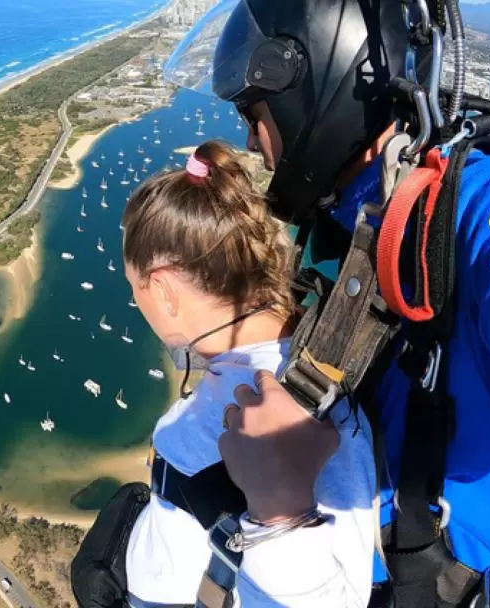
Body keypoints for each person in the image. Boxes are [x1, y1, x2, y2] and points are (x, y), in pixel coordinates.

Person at [164, 0, 490, 604]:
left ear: (310, 90)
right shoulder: (348, 220)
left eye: (252, 112)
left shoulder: (471, 208)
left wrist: (280, 503)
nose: (249, 138)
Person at [118, 140, 376, 607]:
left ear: (163, 290)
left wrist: (280, 514)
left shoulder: (241, 422)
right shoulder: (314, 373)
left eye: (133, 286)